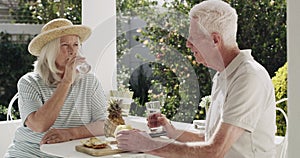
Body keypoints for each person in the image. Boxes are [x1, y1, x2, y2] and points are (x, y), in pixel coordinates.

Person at [116, 0, 276, 157]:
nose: (188, 44)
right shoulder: (223, 75)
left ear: (215, 40)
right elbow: (210, 139)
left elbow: (214, 151)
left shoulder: (248, 77)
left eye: (193, 37)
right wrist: (172, 132)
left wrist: (148, 144)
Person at [5, 18, 107, 157]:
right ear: (49, 51)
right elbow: (39, 125)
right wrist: (66, 82)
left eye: (76, 44)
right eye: (65, 45)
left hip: (70, 154)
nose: (72, 51)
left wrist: (70, 133)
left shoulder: (90, 81)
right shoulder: (29, 82)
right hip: (31, 153)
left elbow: (104, 125)